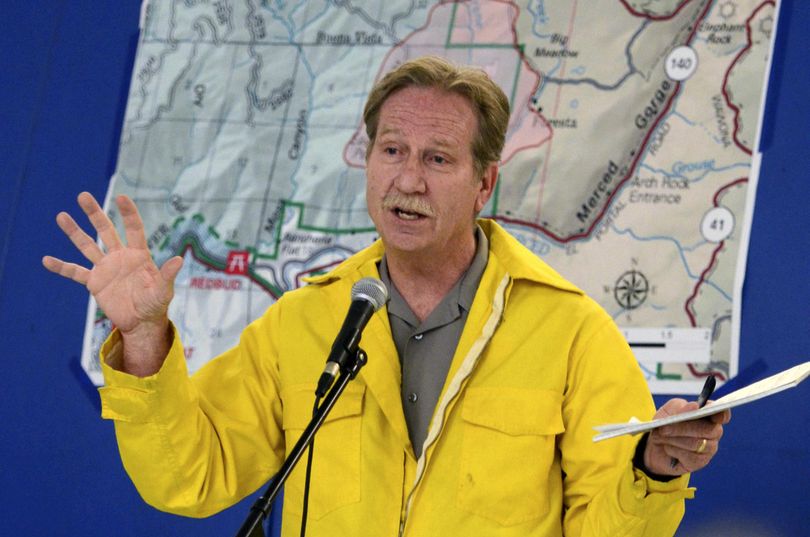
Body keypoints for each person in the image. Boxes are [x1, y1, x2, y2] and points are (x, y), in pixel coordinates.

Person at [43, 56, 729, 536]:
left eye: (437, 159)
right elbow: (188, 475)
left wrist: (656, 467)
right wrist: (141, 338)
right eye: (391, 151)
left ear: (484, 183)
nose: (408, 179)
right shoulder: (304, 322)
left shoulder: (572, 332)